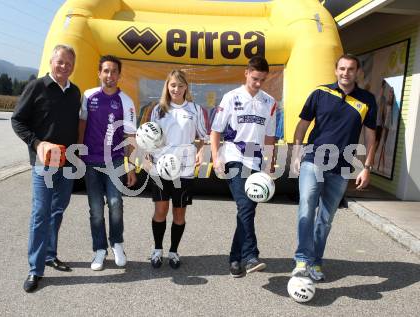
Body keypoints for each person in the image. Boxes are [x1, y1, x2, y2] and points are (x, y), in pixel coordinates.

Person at [291, 53, 377, 281]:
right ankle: (301, 260)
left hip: (342, 166)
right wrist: (297, 155)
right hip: (313, 158)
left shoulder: (367, 100)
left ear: (357, 71)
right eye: (342, 69)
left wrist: (367, 166)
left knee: (326, 218)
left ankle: (315, 262)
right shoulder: (320, 93)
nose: (345, 73)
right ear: (335, 70)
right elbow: (302, 126)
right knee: (307, 206)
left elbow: (370, 136)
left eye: (350, 69)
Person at [11, 44, 81, 292]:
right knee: (40, 214)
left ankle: (50, 255)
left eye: (69, 63)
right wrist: (37, 143)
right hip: (43, 164)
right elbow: (17, 120)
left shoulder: (75, 92)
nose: (64, 67)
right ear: (52, 61)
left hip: (68, 163)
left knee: (58, 209)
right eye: (60, 62)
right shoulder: (36, 87)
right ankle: (35, 269)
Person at [210, 56, 277, 278]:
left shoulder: (270, 102)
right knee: (245, 206)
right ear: (246, 73)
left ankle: (234, 259)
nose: (258, 83)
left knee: (246, 209)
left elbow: (269, 138)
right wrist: (216, 158)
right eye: (255, 78)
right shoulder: (230, 98)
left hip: (255, 160)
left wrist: (268, 165)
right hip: (233, 156)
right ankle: (250, 256)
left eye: (262, 80)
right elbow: (216, 130)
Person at [78, 55, 137, 271]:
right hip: (91, 161)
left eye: (113, 72)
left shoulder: (126, 101)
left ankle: (117, 244)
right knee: (95, 209)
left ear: (119, 75)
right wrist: (78, 154)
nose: (109, 75)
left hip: (115, 161)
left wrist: (130, 165)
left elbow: (131, 137)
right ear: (99, 73)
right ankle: (99, 249)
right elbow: (82, 125)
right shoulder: (88, 96)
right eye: (105, 71)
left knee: (115, 203)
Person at [148, 69, 207, 269]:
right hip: (160, 168)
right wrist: (148, 150)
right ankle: (157, 250)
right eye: (173, 85)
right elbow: (150, 136)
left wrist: (200, 152)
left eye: (180, 85)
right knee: (160, 210)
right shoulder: (158, 109)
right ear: (167, 86)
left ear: (186, 88)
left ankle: (173, 251)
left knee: (179, 214)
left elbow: (204, 138)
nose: (176, 89)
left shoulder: (195, 109)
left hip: (184, 170)